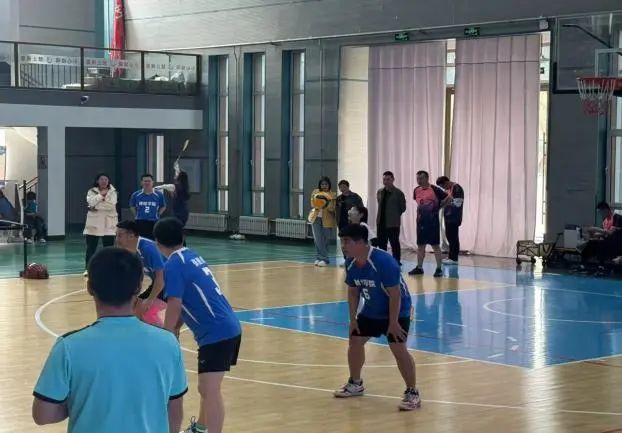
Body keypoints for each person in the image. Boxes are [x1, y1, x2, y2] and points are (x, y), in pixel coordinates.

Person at [32, 247, 187, 433]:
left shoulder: (69, 347)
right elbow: (175, 411)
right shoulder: (168, 343)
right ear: (138, 288)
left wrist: (80, 401)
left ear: (90, 287)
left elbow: (43, 415)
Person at [155, 217, 242, 433]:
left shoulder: (173, 264)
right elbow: (188, 299)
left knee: (209, 389)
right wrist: (176, 327)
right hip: (226, 328)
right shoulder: (191, 256)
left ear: (158, 242)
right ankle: (201, 428)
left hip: (217, 333)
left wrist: (166, 334)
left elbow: (175, 302)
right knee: (207, 388)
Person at [334, 224, 420, 411]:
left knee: (398, 348)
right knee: (355, 340)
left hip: (398, 310)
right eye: (342, 241)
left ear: (361, 243)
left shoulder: (384, 262)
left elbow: (395, 295)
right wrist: (353, 319)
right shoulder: (350, 262)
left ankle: (412, 392)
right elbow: (353, 291)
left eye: (347, 241)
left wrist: (394, 322)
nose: (343, 246)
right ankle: (355, 383)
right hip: (372, 310)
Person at [116, 220, 167, 326]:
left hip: (170, 282)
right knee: (136, 307)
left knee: (146, 309)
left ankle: (162, 333)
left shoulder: (149, 249)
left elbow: (160, 278)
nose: (117, 239)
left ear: (131, 236)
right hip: (159, 282)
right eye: (116, 235)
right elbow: (138, 275)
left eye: (120, 236)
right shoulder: (130, 251)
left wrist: (149, 300)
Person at [409, 171, 450, 278]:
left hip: (433, 223)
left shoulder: (435, 189)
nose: (419, 180)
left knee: (435, 245)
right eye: (418, 178)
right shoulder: (416, 190)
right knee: (420, 245)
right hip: (420, 222)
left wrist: (439, 207)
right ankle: (419, 267)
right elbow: (420, 203)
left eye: (421, 178)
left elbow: (449, 198)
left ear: (427, 178)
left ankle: (439, 268)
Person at [83, 173, 118, 277]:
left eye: (106, 179)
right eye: (101, 179)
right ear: (97, 181)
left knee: (109, 249)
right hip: (94, 223)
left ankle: (109, 268)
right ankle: (88, 269)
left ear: (108, 181)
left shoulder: (113, 192)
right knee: (91, 248)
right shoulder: (91, 191)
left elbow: (111, 205)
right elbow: (91, 202)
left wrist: (96, 206)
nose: (104, 181)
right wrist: (101, 195)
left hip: (109, 224)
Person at [376, 171, 406, 265]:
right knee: (382, 243)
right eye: (384, 179)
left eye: (388, 179)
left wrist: (394, 214)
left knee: (394, 243)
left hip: (393, 223)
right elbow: (379, 204)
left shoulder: (398, 193)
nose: (386, 181)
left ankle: (396, 261)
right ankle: (383, 260)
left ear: (393, 180)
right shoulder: (380, 191)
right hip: (381, 221)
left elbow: (403, 208)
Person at [308, 176, 337, 266]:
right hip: (315, 218)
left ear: (329, 185)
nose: (324, 186)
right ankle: (319, 257)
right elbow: (313, 204)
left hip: (327, 220)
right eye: (322, 184)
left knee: (325, 240)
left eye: (326, 184)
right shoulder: (315, 192)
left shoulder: (333, 195)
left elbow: (332, 208)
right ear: (320, 185)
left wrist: (327, 202)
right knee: (317, 240)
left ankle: (324, 259)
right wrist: (319, 202)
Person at [436, 176, 464, 265]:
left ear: (446, 182)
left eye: (443, 186)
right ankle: (451, 256)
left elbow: (458, 203)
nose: (443, 188)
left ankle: (454, 258)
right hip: (448, 217)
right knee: (449, 237)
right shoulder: (448, 189)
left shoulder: (457, 188)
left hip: (454, 217)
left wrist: (446, 202)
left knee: (453, 238)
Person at [130, 174, 166, 240]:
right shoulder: (136, 194)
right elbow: (132, 206)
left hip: (154, 221)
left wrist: (158, 214)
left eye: (149, 181)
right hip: (140, 221)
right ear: (141, 182)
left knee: (153, 241)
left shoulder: (159, 195)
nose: (147, 183)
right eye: (145, 181)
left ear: (152, 182)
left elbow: (163, 206)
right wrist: (136, 215)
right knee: (141, 241)